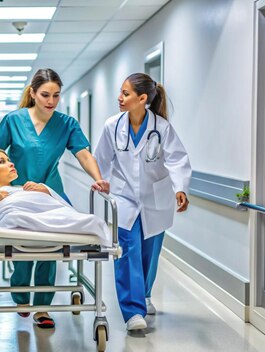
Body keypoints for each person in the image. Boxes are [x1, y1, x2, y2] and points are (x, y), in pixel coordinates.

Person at [0, 68, 110, 329]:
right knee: (21, 247)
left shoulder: (67, 124)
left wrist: (97, 178)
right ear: (32, 93)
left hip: (51, 192)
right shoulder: (13, 120)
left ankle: (42, 307)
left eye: (56, 95)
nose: (51, 101)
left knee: (50, 249)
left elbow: (84, 153)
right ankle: (20, 296)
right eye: (45, 94)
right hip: (18, 192)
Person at [93, 73, 192, 331]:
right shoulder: (112, 126)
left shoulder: (162, 128)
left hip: (156, 200)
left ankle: (144, 293)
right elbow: (100, 159)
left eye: (125, 93)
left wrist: (180, 188)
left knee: (149, 254)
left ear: (143, 98)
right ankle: (133, 312)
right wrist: (100, 180)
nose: (120, 97)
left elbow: (178, 159)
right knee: (127, 253)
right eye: (121, 92)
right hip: (124, 198)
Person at [0, 149, 112, 250]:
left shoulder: (21, 189)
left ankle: (84, 223)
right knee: (14, 216)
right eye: (2, 162)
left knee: (84, 219)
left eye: (9, 159)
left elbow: (59, 207)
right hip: (14, 218)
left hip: (43, 216)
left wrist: (46, 191)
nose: (11, 163)